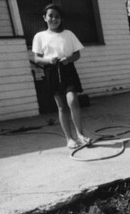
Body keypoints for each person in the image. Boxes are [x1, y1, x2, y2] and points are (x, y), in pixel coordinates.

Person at [32, 4, 90, 149]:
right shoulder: (39, 36)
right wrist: (48, 60)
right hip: (51, 71)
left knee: (73, 101)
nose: (54, 19)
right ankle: (69, 138)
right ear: (44, 18)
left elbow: (77, 54)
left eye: (57, 16)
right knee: (62, 106)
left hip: (67, 69)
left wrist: (68, 59)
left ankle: (80, 135)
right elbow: (37, 59)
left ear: (61, 19)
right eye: (51, 16)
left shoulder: (68, 34)